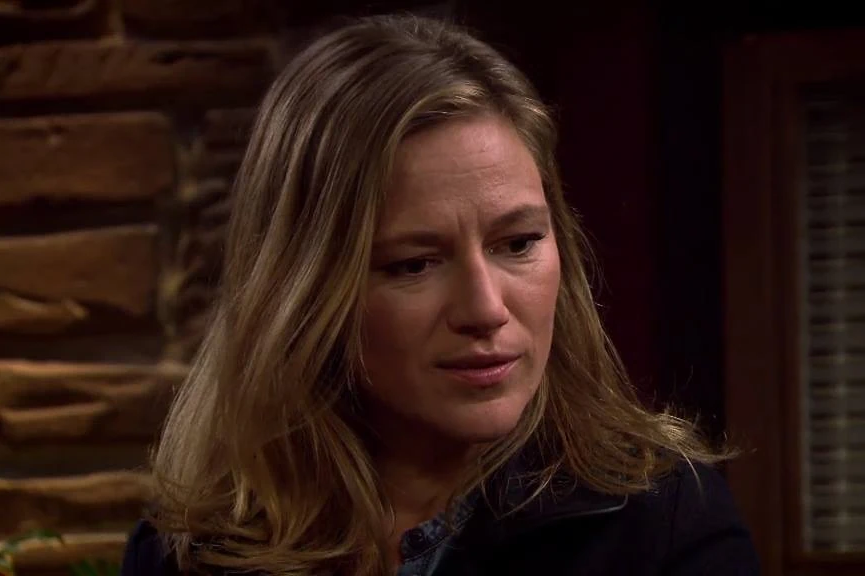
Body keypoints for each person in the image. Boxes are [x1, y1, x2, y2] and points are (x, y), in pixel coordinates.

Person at [122, 14, 758, 576]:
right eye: (414, 264)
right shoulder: (190, 554)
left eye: (518, 244)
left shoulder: (665, 524)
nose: (485, 310)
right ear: (305, 289)